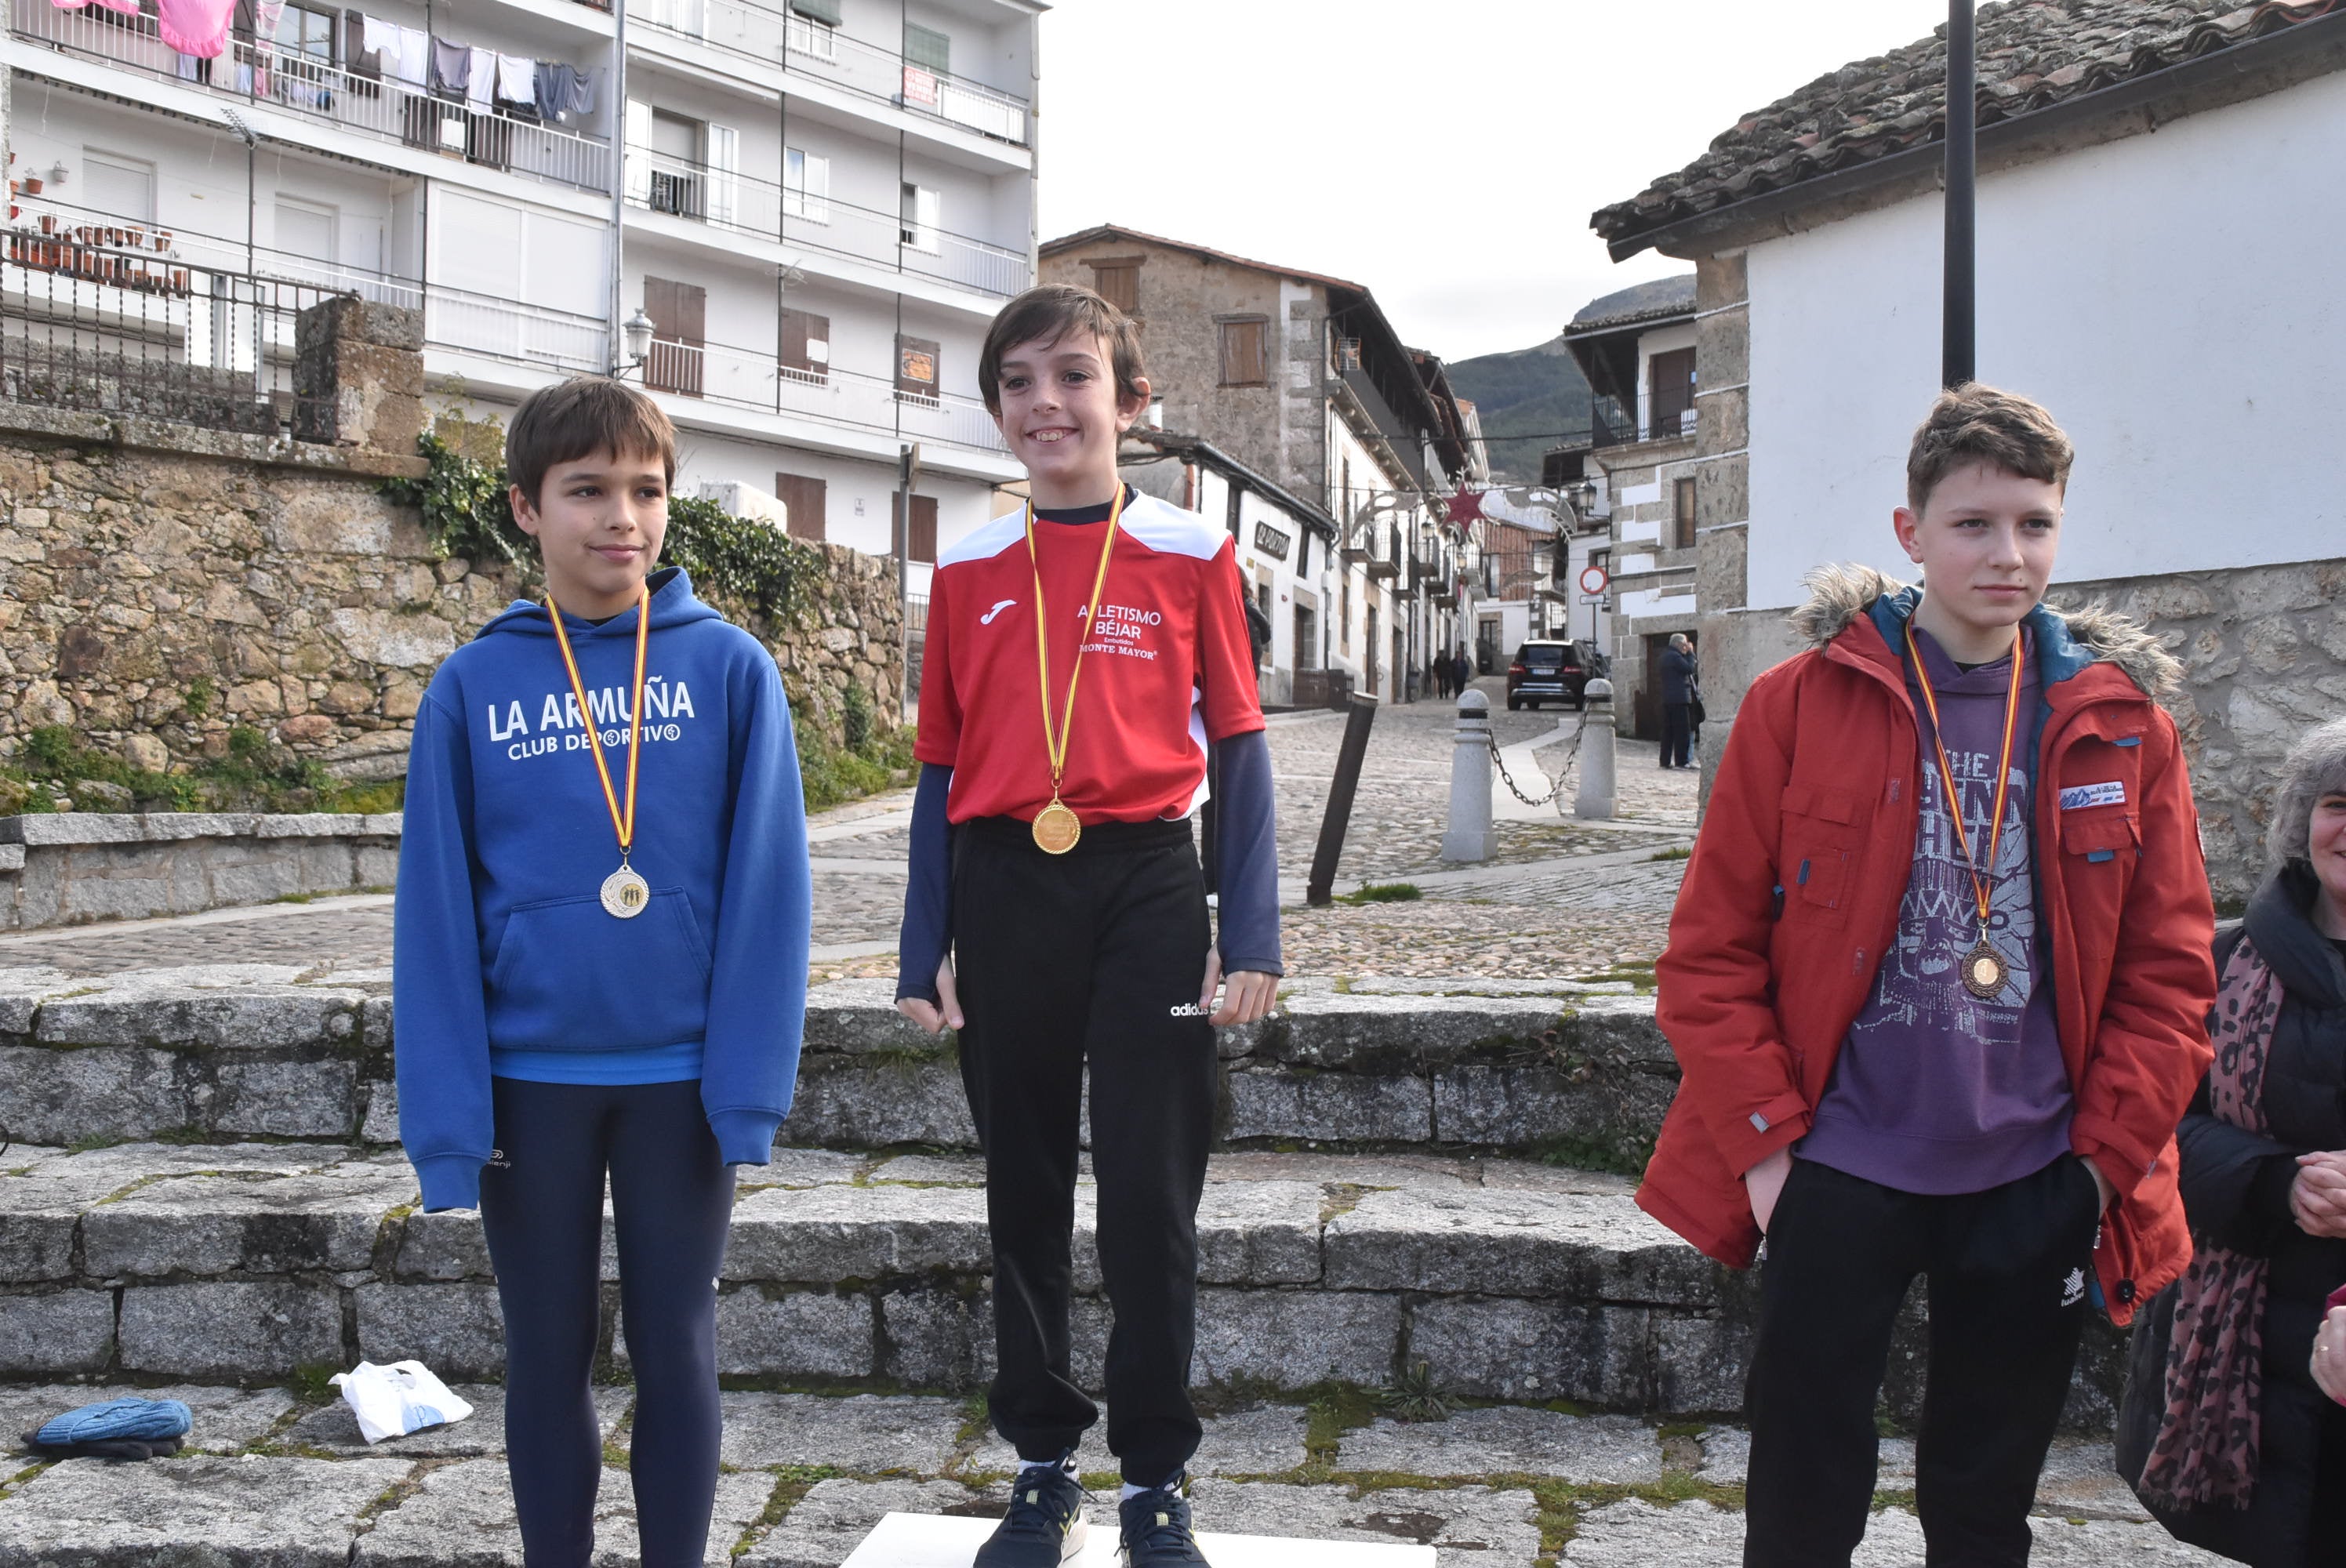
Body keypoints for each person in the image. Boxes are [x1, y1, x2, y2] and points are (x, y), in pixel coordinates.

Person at [1636, 383, 2217, 1568]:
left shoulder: (2122, 727)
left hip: (2037, 1173)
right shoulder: (1799, 704)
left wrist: (2100, 1167)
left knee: (1984, 1498)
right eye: (1974, 524)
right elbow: (1710, 952)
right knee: (1801, 1489)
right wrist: (1765, 1156)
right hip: (1835, 1164)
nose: (2009, 555)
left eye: (2035, 524)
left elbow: (2171, 973)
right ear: (1912, 534)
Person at [894, 283, 1280, 1568]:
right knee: (1020, 1187)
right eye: (1015, 382)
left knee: (1150, 1193)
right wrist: (920, 945)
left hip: (1147, 886)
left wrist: (1254, 932)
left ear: (1128, 401)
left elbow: (1236, 736)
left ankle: (1155, 1478)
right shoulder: (963, 565)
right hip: (1006, 884)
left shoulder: (1189, 551)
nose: (1042, 403)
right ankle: (1044, 1463)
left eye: (1069, 376)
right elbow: (940, 769)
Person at [394, 378, 811, 1566]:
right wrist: (447, 1126)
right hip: (533, 1083)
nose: (621, 517)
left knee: (678, 1342)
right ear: (525, 508)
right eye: (587, 491)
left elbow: (771, 898)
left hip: (680, 1078)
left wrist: (746, 1092)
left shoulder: (732, 672)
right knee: (547, 1350)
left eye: (647, 489)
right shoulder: (470, 689)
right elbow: (429, 917)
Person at [2119, 717, 2346, 1566]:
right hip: (2241, 1344)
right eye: (2336, 803)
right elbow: (2147, 1125)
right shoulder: (2218, 963)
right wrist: (2274, 1183)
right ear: (2302, 819)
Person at [1658, 632, 1697, 769]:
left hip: (1668, 699)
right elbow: (1689, 668)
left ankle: (1665, 760)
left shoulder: (1665, 656)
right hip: (1679, 699)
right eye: (1685, 644)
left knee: (1668, 732)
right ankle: (1682, 761)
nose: (1686, 647)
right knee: (1682, 732)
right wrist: (1691, 654)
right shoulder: (1675, 656)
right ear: (1680, 644)